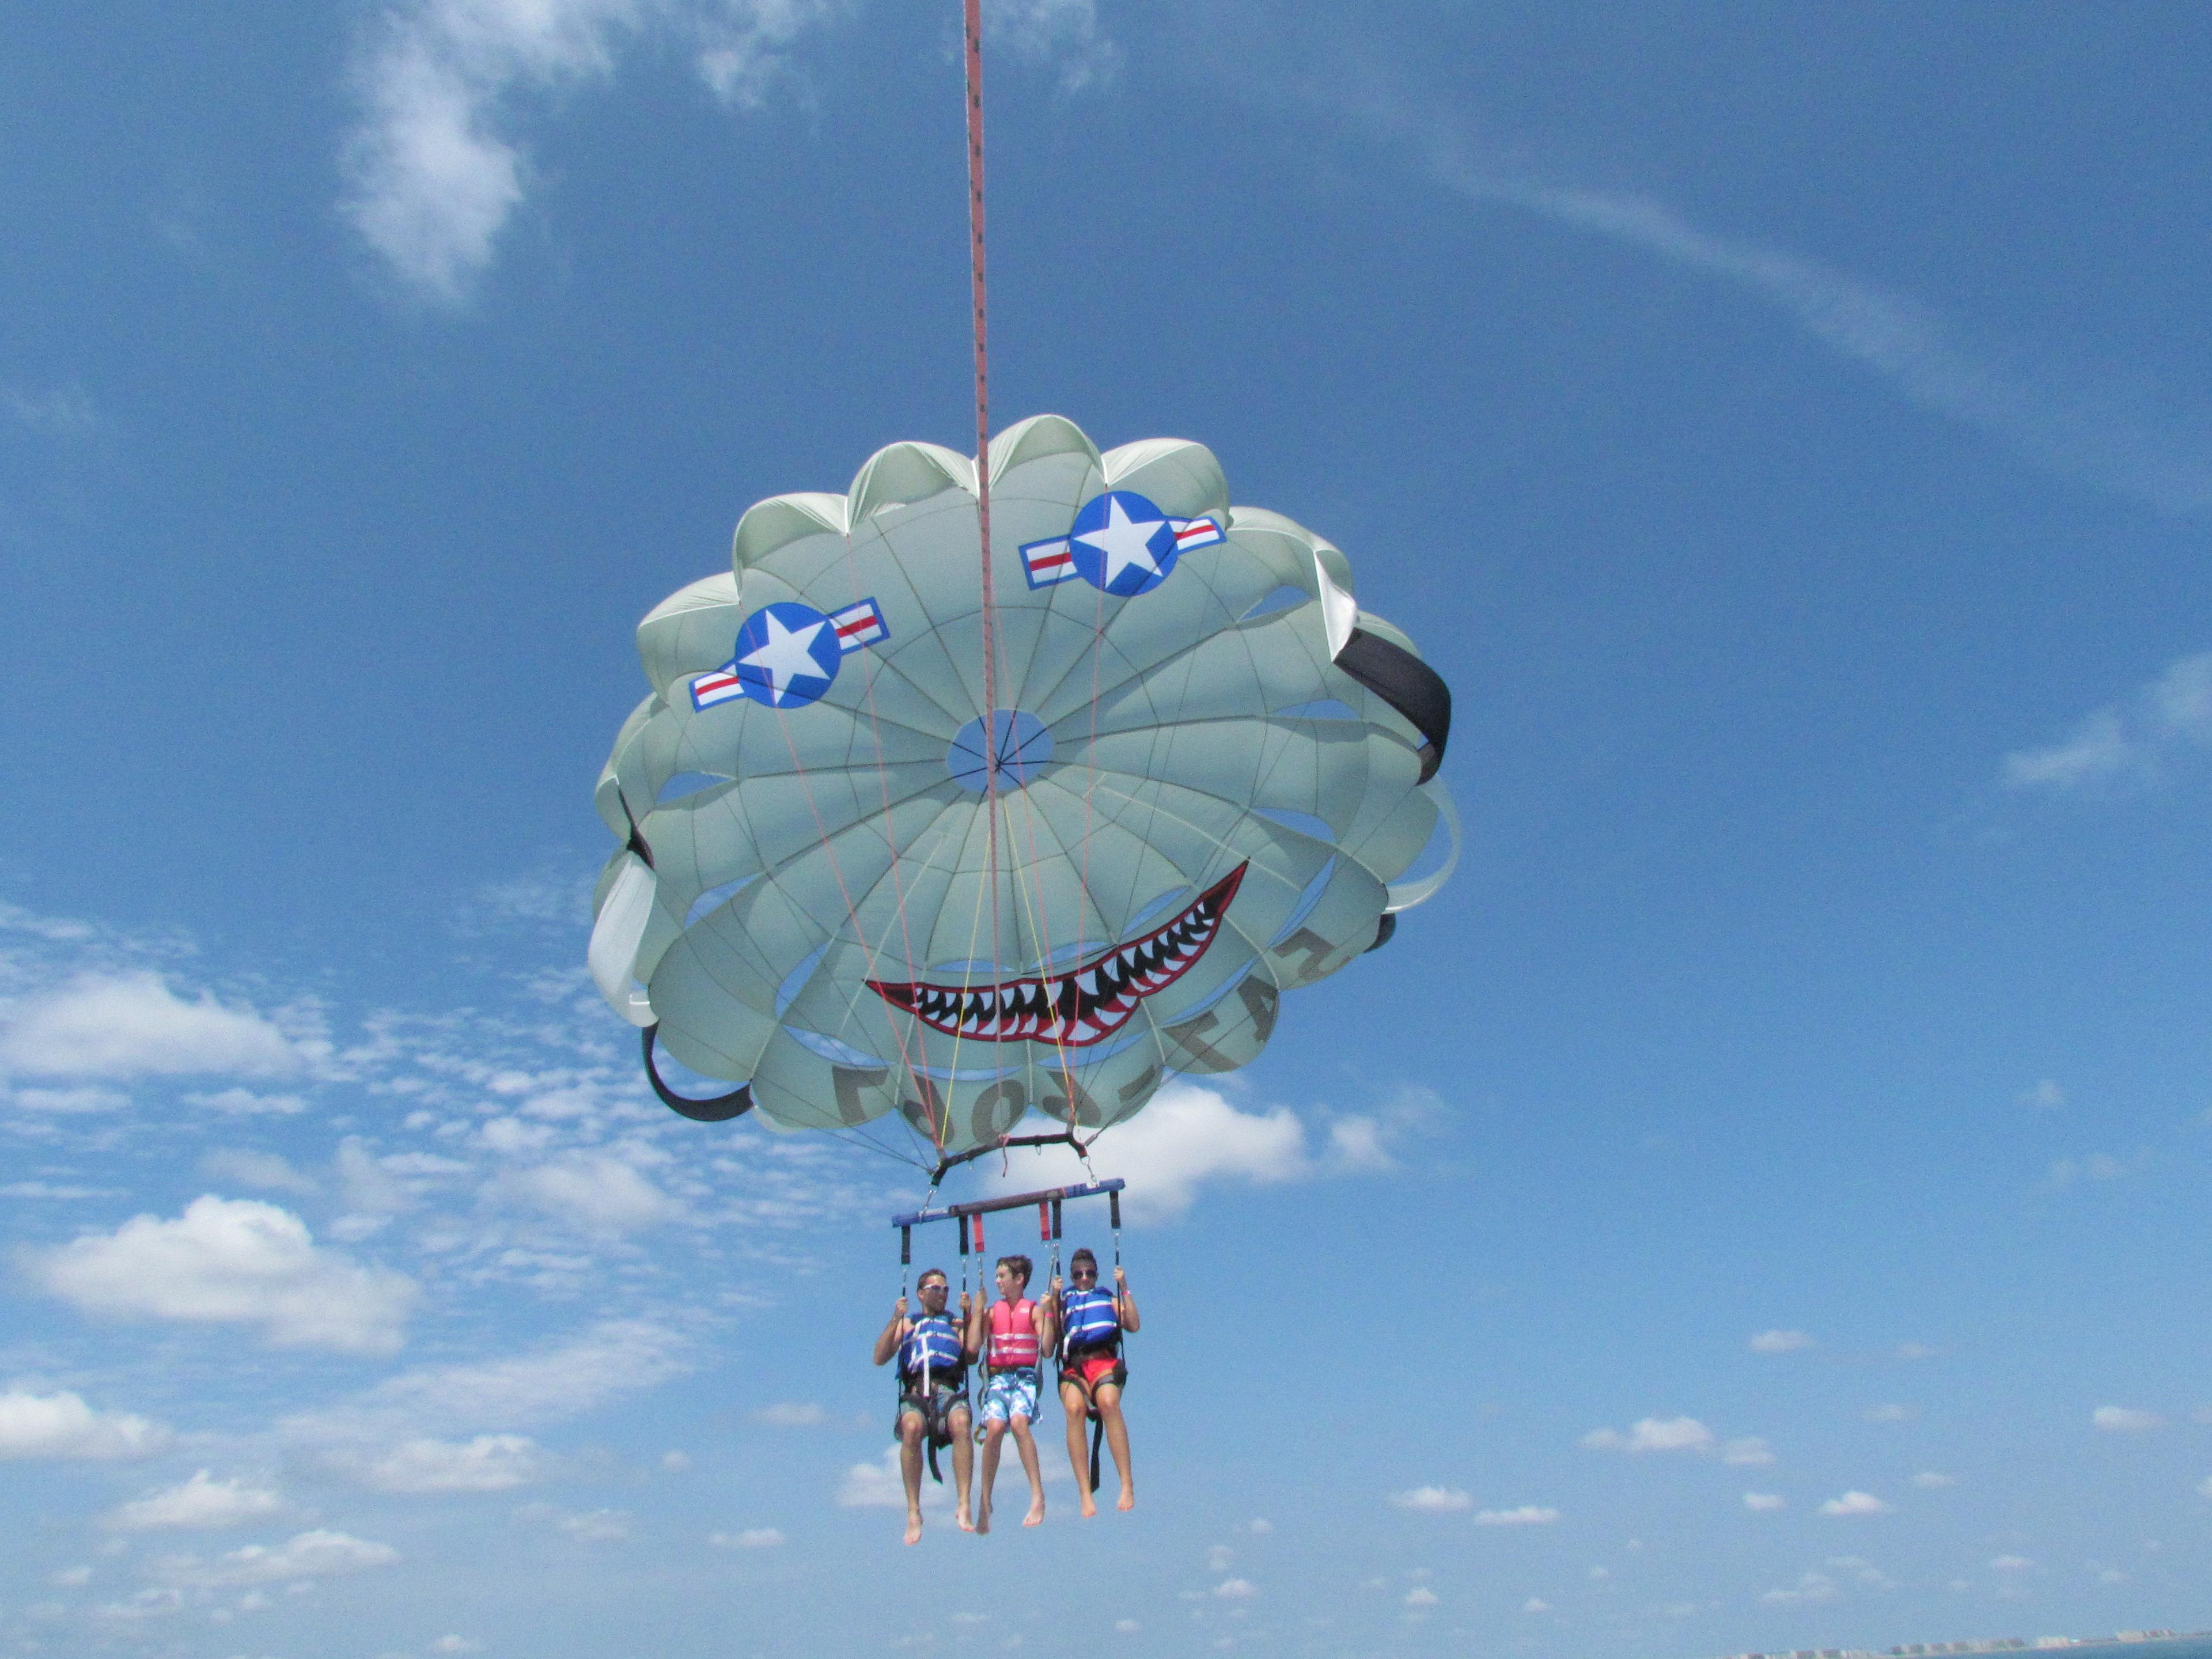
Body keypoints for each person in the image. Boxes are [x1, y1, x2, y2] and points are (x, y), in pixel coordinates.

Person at [872, 1267, 984, 1544]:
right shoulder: (908, 1325)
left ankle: (964, 1503)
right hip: (916, 1391)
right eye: (936, 1289)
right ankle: (913, 1511)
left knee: (961, 1423)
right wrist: (896, 1318)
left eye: (945, 1289)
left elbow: (971, 1356)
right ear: (921, 1294)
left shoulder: (955, 1323)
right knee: (911, 1427)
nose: (942, 1294)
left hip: (948, 1391)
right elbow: (879, 1357)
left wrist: (970, 1316)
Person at [1052, 1247, 1139, 1516]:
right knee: (1074, 1410)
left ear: (1096, 1274)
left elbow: (1133, 1324)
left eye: (1089, 1274)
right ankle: (1084, 1493)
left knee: (1108, 1402)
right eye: (1078, 1275)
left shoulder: (1107, 1298)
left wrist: (1124, 1286)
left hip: (1103, 1361)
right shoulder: (1063, 1300)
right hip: (1075, 1365)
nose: (1084, 1279)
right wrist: (1053, 1299)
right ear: (1072, 1276)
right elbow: (1051, 1334)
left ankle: (1126, 1484)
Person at [974, 1253, 1053, 1533]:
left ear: (1019, 1280)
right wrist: (976, 1312)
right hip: (998, 1379)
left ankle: (1037, 1495)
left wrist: (1050, 1312)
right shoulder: (992, 1313)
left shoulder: (1033, 1311)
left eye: (1002, 1276)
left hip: (1024, 1378)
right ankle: (985, 1499)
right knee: (994, 1427)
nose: (997, 1282)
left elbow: (1046, 1349)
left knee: (1019, 1423)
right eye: (996, 1276)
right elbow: (973, 1348)